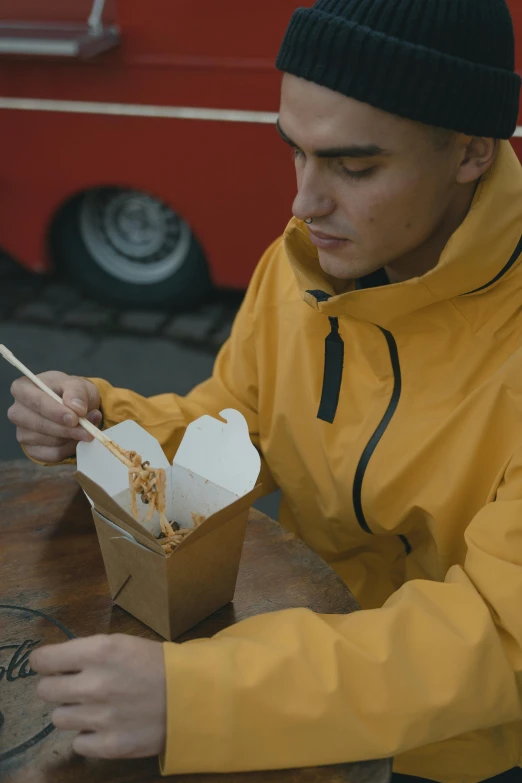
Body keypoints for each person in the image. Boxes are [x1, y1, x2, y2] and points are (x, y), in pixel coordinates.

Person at [7, 0, 522, 781]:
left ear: (472, 152)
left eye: (355, 167)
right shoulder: (303, 267)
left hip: (455, 750)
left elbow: (494, 634)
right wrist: (108, 421)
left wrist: (202, 699)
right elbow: (238, 420)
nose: (304, 203)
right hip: (280, 663)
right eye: (296, 153)